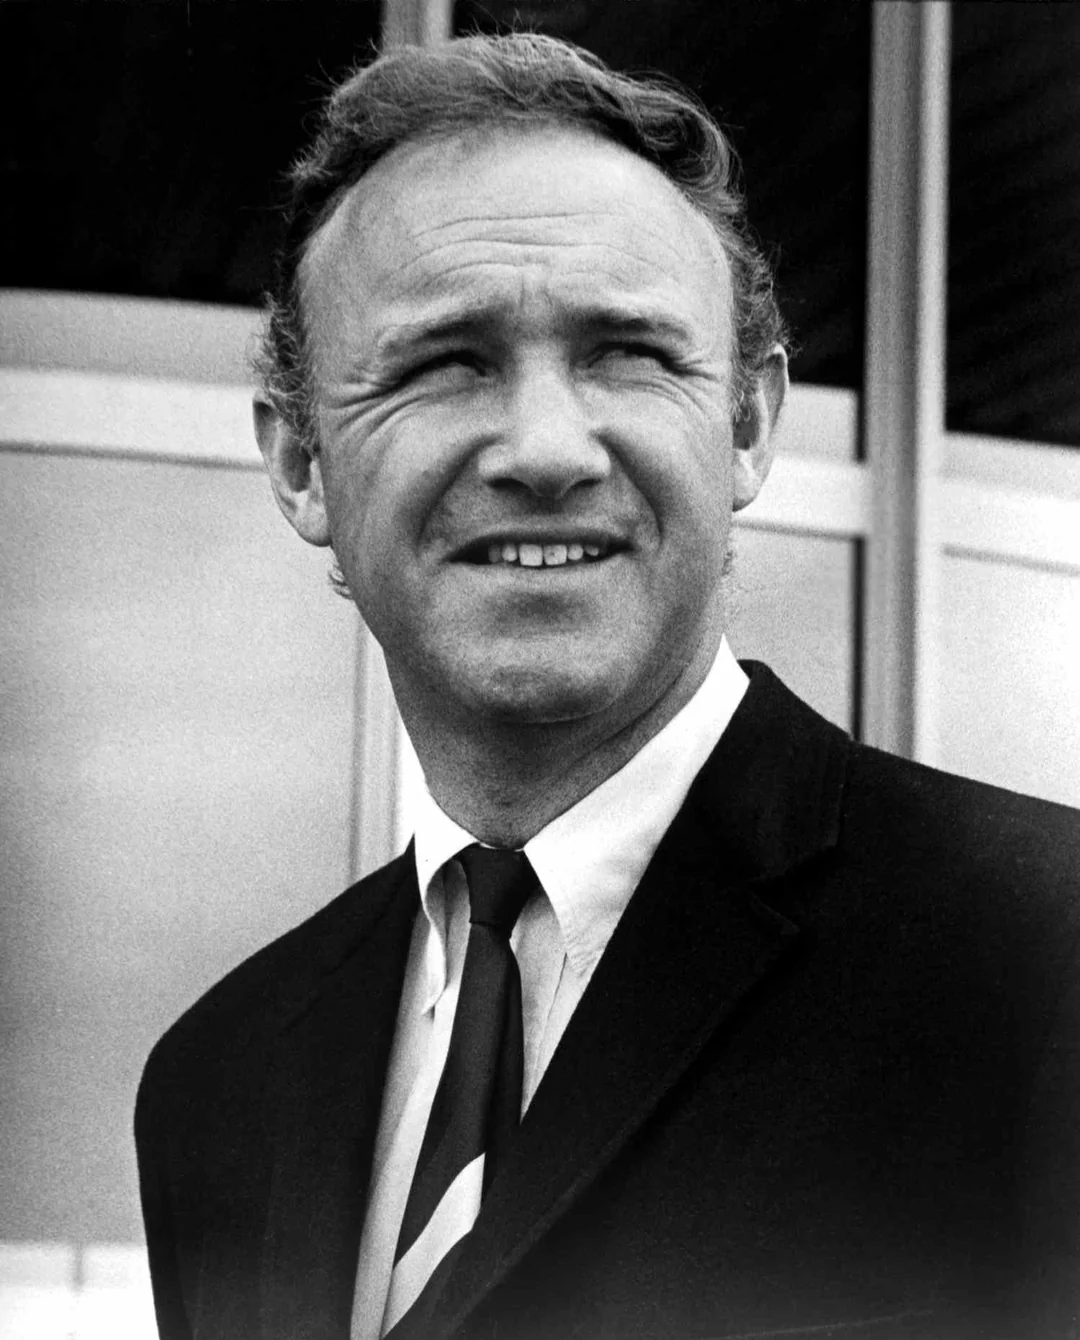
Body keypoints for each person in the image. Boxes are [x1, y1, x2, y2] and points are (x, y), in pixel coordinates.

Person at [135, 32, 1080, 1340]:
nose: (543, 449)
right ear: (301, 461)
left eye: (628, 354)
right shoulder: (217, 1081)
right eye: (440, 362)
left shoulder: (1043, 969)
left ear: (746, 425)